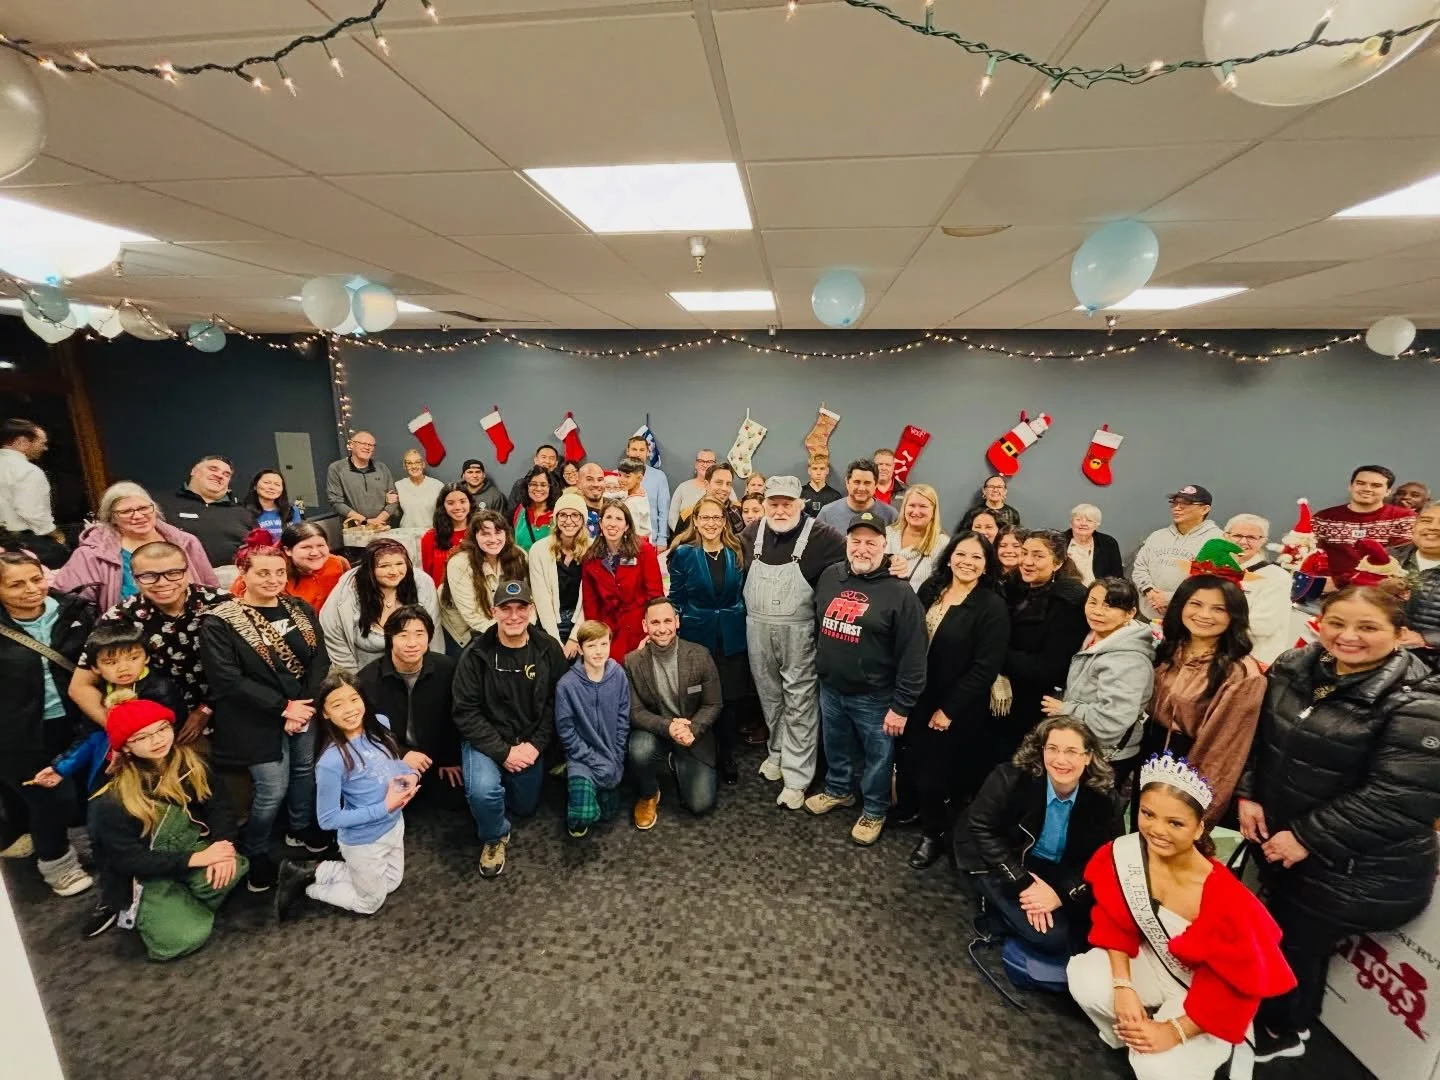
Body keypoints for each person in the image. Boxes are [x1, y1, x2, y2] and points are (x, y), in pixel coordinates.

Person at [1237, 585, 1440, 1062]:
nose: (1348, 636)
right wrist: (1249, 793)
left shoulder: (1420, 702)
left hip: (1358, 867)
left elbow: (1400, 798)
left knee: (1295, 944)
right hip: (1288, 845)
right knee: (1275, 932)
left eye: (1367, 627)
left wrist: (1306, 836)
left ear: (1401, 634)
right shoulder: (1297, 665)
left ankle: (1282, 1031)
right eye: (1337, 623)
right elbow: (1261, 738)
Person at [1068, 754, 1296, 1080]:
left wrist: (1174, 1031)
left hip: (1208, 998)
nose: (1157, 830)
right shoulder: (1127, 855)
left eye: (1175, 823)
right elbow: (1114, 921)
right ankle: (1130, 1034)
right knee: (1086, 979)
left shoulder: (1228, 899)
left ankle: (1172, 1051)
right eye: (1148, 814)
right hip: (1155, 964)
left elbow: (1238, 989)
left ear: (1199, 827)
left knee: (1155, 1066)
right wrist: (1123, 987)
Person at [200, 530, 329, 891]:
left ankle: (299, 828)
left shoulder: (298, 608)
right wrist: (282, 708)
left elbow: (319, 659)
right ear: (242, 573)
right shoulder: (220, 621)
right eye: (262, 573)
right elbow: (227, 679)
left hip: (303, 708)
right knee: (272, 788)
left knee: (304, 771)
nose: (273, 580)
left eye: (279, 572)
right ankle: (255, 849)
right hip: (253, 716)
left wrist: (303, 706)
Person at [88, 699, 248, 961]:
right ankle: (163, 910)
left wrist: (224, 846)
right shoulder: (112, 799)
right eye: (142, 737)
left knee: (233, 866)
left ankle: (185, 902)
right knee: (182, 938)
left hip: (187, 847)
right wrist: (197, 859)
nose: (157, 740)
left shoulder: (193, 763)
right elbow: (127, 860)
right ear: (126, 746)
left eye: (162, 729)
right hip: (144, 874)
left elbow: (219, 808)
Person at [805, 511, 927, 846]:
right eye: (856, 541)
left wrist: (901, 707)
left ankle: (874, 809)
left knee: (878, 758)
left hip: (875, 696)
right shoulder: (831, 576)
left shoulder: (901, 592)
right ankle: (838, 790)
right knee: (836, 745)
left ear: (885, 546)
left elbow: (914, 655)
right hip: (831, 687)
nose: (862, 549)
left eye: (871, 543)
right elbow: (818, 623)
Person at [957, 718, 1122, 955]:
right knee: (1055, 938)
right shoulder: (1009, 778)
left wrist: (1061, 894)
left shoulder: (1105, 799)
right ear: (1042, 751)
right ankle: (991, 907)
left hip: (1059, 869)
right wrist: (1023, 882)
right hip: (1001, 861)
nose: (1060, 760)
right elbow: (980, 828)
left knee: (1092, 931)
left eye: (1071, 751)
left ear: (1088, 757)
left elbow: (1108, 856)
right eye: (1052, 749)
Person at [893, 531, 1009, 867]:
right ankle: (911, 810)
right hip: (917, 694)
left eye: (976, 557)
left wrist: (949, 710)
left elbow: (985, 667)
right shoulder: (932, 589)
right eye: (961, 554)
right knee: (910, 759)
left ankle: (934, 835)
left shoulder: (991, 606)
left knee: (936, 775)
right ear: (949, 557)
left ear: (986, 565)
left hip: (954, 705)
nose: (967, 562)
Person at [274, 673, 418, 921]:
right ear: (325, 713)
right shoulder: (331, 761)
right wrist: (384, 807)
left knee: (391, 882)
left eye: (354, 699)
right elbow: (328, 819)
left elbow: (394, 762)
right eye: (337, 704)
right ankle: (306, 886)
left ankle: (316, 870)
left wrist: (410, 775)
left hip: (394, 825)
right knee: (370, 902)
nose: (350, 709)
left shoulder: (380, 725)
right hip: (364, 840)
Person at [741, 476, 848, 807]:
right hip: (756, 629)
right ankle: (777, 752)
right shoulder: (751, 533)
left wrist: (890, 562)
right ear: (764, 505)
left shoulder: (822, 535)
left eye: (787, 504)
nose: (780, 510)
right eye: (773, 503)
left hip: (798, 632)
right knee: (770, 697)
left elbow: (857, 554)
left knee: (800, 702)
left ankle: (797, 777)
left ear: (800, 504)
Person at [451, 579, 565, 878]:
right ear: (494, 612)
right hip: (486, 742)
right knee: (483, 792)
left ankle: (509, 789)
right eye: (506, 609)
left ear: (531, 609)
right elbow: (466, 713)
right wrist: (503, 753)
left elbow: (557, 702)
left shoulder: (548, 648)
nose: (514, 616)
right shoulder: (475, 655)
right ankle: (494, 836)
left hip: (529, 741)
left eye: (521, 608)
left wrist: (536, 745)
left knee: (525, 807)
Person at [0, 551, 96, 897]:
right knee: (48, 798)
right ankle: (57, 864)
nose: (31, 589)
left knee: (84, 793)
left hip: (76, 721)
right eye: (16, 584)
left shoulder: (74, 612)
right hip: (19, 733)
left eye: (36, 579)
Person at [1139, 573, 1265, 825]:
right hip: (1151, 753)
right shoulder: (1170, 649)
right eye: (1196, 604)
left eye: (1219, 609)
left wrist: (1200, 810)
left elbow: (1224, 752)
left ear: (1234, 615)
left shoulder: (1241, 673)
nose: (1205, 615)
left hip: (1193, 762)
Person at [70, 541, 222, 741]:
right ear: (134, 578)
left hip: (226, 711)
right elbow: (80, 687)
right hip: (154, 726)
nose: (162, 583)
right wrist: (126, 731)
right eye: (149, 576)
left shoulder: (221, 604)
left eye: (173, 573)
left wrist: (206, 709)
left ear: (187, 572)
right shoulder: (119, 617)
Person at [1040, 578, 1154, 791]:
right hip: (1081, 744)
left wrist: (1066, 710)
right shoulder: (1094, 637)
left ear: (1130, 613)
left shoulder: (1129, 660)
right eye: (1092, 602)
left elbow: (1111, 721)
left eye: (1109, 606)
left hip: (1104, 756)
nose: (1097, 612)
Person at [668, 495, 749, 785]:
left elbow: (743, 591)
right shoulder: (684, 553)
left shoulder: (736, 550)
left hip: (732, 635)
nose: (711, 523)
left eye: (717, 517)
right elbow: (676, 597)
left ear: (724, 521)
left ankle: (726, 754)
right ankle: (700, 751)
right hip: (697, 634)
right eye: (705, 517)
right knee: (699, 696)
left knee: (730, 699)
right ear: (696, 521)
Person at [993, 531, 1088, 766]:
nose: (1027, 561)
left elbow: (1051, 667)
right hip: (998, 695)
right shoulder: (1011, 588)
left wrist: (993, 656)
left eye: (1037, 556)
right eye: (1024, 553)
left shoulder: (1068, 602)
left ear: (1058, 562)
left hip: (1033, 703)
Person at [625, 597, 722, 827]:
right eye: (655, 622)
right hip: (657, 731)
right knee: (639, 750)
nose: (662, 629)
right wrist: (668, 727)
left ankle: (676, 761)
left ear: (677, 622)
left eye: (667, 621)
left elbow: (713, 704)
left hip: (691, 733)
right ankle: (649, 793)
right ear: (645, 626)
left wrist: (692, 730)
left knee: (700, 804)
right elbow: (635, 711)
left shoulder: (700, 655)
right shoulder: (632, 662)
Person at [353, 606, 462, 808]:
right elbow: (365, 731)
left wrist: (450, 757)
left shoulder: (448, 669)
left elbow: (456, 717)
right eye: (403, 635)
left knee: (456, 799)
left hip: (435, 758)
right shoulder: (367, 680)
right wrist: (401, 753)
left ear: (429, 637)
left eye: (419, 634)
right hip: (390, 758)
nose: (412, 643)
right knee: (388, 803)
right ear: (390, 639)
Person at [54, 481, 217, 611]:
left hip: (189, 626)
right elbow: (63, 599)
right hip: (125, 633)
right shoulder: (92, 553)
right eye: (126, 512)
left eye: (143, 508)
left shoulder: (187, 542)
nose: (138, 516)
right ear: (112, 518)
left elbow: (210, 588)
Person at [554, 620, 630, 838]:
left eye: (604, 644)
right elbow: (567, 732)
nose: (599, 651)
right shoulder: (566, 685)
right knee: (581, 817)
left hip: (611, 756)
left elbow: (623, 721)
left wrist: (617, 758)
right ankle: (571, 776)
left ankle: (594, 787)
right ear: (580, 649)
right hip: (582, 758)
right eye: (591, 645)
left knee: (608, 814)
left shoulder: (619, 675)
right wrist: (595, 761)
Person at [321, 538, 442, 673]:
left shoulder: (422, 583)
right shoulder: (346, 592)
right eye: (384, 566)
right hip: (363, 673)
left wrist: (431, 672)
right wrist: (353, 679)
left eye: (399, 564)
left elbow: (434, 635)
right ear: (369, 569)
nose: (394, 571)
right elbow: (335, 640)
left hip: (415, 671)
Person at [580, 501, 663, 661]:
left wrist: (653, 629)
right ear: (600, 524)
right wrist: (594, 636)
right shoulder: (590, 558)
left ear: (627, 526)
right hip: (607, 632)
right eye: (608, 518)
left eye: (619, 519)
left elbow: (655, 596)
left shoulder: (644, 551)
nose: (612, 523)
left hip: (639, 628)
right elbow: (590, 603)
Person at [1132, 484, 1224, 622]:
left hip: (1191, 621)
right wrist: (1149, 591)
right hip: (1148, 617)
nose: (1177, 508)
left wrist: (1170, 598)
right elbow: (1140, 568)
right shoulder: (1157, 536)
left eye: (1186, 504)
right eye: (1174, 503)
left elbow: (1210, 582)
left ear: (1205, 509)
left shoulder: (1217, 540)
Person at [1314, 464, 1417, 585]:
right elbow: (1310, 557)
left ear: (1388, 491)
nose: (1367, 489)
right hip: (1329, 589)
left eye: (1376, 485)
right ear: (1350, 486)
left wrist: (1347, 582)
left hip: (1382, 590)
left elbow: (1399, 561)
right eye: (1360, 483)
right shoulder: (1324, 518)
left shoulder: (1405, 519)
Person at [443, 509, 530, 649]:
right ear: (474, 536)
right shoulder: (459, 564)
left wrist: (525, 629)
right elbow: (472, 616)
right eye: (485, 534)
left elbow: (529, 601)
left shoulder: (519, 556)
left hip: (510, 627)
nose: (493, 539)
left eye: (498, 532)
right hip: (467, 633)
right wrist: (508, 634)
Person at [157, 454, 253, 569]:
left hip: (235, 576)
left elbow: (262, 551)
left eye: (226, 474)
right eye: (213, 469)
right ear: (194, 471)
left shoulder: (243, 513)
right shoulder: (162, 504)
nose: (219, 475)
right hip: (178, 575)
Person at [1223, 513, 1292, 665]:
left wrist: (1213, 621)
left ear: (1263, 541)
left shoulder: (1277, 577)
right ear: (1225, 536)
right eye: (1237, 535)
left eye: (1252, 537)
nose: (1243, 542)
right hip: (1218, 655)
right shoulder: (1215, 569)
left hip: (1254, 660)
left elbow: (1262, 626)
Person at [528, 491, 591, 657]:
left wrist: (574, 638)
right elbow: (541, 598)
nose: (568, 521)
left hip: (582, 624)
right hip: (548, 624)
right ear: (556, 518)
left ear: (583, 519)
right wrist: (554, 641)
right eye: (563, 515)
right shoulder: (539, 550)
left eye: (575, 515)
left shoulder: (593, 550)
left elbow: (591, 598)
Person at [0, 418, 65, 567]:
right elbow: (32, 513)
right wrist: (57, 535)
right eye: (42, 443)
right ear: (22, 442)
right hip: (23, 545)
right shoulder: (28, 470)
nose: (45, 448)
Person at [327, 431, 399, 528]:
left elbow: (394, 499)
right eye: (363, 443)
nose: (367, 447)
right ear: (351, 445)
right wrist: (364, 521)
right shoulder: (336, 468)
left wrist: (378, 521)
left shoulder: (382, 468)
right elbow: (336, 502)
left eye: (371, 445)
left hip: (382, 526)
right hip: (355, 529)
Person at [1394, 500, 1440, 650]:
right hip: (1380, 652)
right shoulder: (1387, 558)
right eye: (1426, 520)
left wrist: (1426, 639)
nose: (1433, 527)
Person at [885, 484, 948, 592]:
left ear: (933, 510)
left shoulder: (943, 544)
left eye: (923, 506)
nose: (915, 512)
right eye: (912, 505)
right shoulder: (887, 533)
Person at [279, 522, 349, 611]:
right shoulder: (279, 578)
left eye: (320, 545)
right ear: (288, 550)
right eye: (306, 547)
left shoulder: (339, 563)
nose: (315, 553)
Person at [815, 458, 899, 532]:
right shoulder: (827, 514)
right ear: (847, 482)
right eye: (857, 482)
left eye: (867, 483)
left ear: (876, 484)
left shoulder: (890, 515)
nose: (861, 488)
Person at [420, 483, 473, 587]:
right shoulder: (430, 537)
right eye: (450, 503)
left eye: (463, 501)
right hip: (443, 593)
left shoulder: (480, 533)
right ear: (443, 506)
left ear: (470, 503)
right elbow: (427, 577)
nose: (458, 507)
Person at [624, 434, 671, 550]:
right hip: (622, 539)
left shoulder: (659, 476)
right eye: (634, 449)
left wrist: (662, 539)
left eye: (642, 450)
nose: (638, 454)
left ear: (648, 452)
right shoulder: (617, 476)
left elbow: (664, 511)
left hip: (650, 540)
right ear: (627, 451)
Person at [1063, 504, 1122, 586]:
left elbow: (1117, 576)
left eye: (1089, 520)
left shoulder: (1108, 543)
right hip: (1065, 591)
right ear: (1071, 522)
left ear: (1096, 525)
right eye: (1078, 519)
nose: (1083, 523)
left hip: (1100, 591)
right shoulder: (1059, 541)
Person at [242, 468, 302, 542]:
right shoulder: (242, 511)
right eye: (267, 482)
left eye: (277, 484)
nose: (272, 487)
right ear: (255, 486)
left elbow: (297, 538)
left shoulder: (291, 510)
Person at [669, 448, 721, 532]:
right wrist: (683, 535)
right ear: (696, 465)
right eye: (701, 461)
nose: (705, 465)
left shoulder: (723, 488)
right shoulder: (683, 488)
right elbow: (672, 517)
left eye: (709, 462)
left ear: (715, 465)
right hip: (686, 536)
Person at [393, 448, 444, 530]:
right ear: (405, 466)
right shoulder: (398, 486)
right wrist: (388, 501)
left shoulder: (437, 485)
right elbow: (394, 511)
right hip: (406, 532)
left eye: (417, 462)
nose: (414, 466)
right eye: (409, 463)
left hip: (431, 532)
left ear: (423, 464)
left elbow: (445, 513)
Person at [511, 466, 557, 552]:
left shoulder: (558, 514)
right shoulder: (520, 510)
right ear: (527, 486)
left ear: (550, 487)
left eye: (543, 485)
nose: (538, 489)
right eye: (533, 484)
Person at [507, 444, 562, 511]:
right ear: (536, 460)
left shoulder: (561, 485)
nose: (547, 461)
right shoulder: (521, 484)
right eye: (543, 457)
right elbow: (511, 512)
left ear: (556, 463)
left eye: (551, 458)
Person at [614, 457, 652, 540]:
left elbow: (631, 532)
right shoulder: (640, 493)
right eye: (619, 475)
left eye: (627, 476)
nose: (621, 479)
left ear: (639, 478)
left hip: (635, 543)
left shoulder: (632, 503)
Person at [802, 453, 842, 519]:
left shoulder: (835, 496)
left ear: (827, 471)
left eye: (822, 469)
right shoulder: (800, 493)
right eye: (815, 468)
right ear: (809, 470)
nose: (818, 473)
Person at [576, 462, 608, 535]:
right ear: (579, 484)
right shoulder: (573, 512)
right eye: (589, 479)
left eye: (600, 480)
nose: (596, 484)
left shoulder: (616, 507)